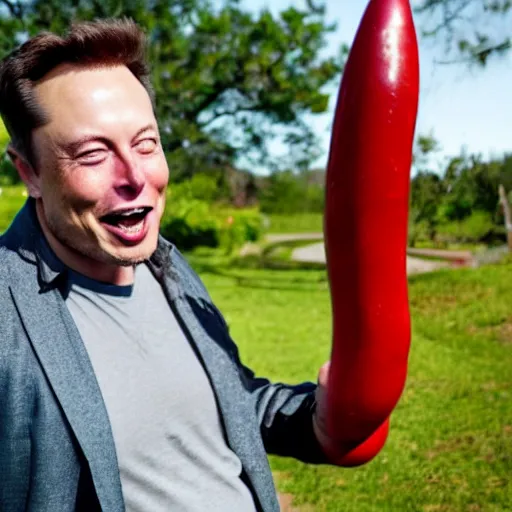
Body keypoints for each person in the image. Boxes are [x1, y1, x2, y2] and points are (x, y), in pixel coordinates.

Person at [0, 19, 348, 512]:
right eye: (93, 154)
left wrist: (315, 418)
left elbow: (228, 401)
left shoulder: (166, 264)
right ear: (29, 172)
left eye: (146, 144)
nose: (135, 176)